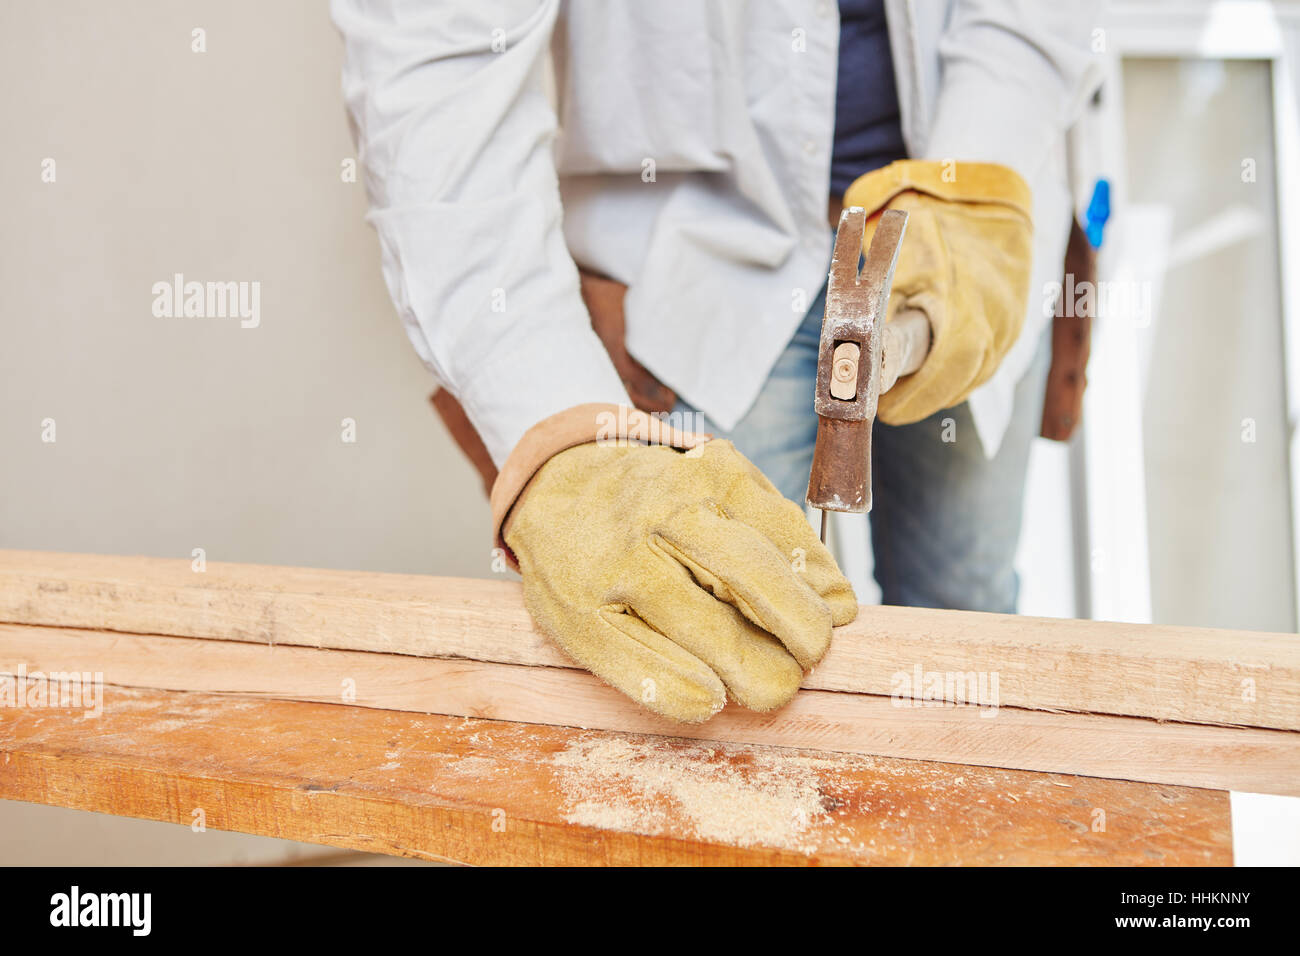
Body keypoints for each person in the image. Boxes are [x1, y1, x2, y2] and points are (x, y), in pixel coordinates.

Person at [331, 0, 1103, 722]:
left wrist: (978, 180)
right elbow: (441, 59)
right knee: (738, 664)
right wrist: (554, 419)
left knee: (963, 619)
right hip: (696, 269)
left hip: (964, 231)